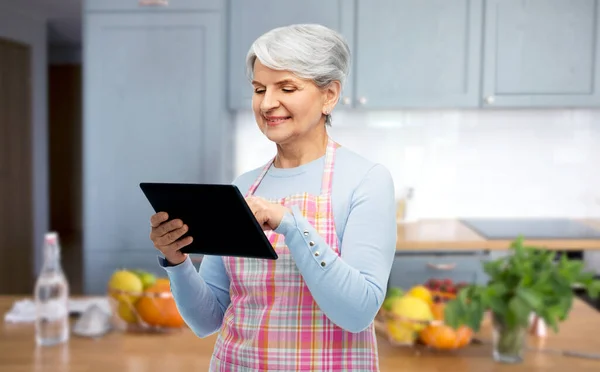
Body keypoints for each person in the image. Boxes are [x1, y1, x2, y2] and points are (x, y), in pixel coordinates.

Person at [149, 24, 397, 372]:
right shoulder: (245, 186)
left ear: (330, 95)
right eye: (259, 89)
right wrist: (176, 261)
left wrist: (291, 224)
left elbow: (357, 313)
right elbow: (207, 319)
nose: (267, 103)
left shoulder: (365, 180)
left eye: (287, 87)